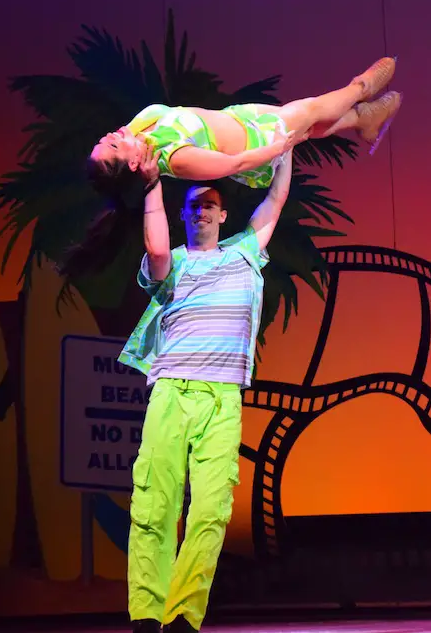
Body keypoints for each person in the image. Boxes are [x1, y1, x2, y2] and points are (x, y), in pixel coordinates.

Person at [115, 138, 297, 633]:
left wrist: (285, 149)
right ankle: (147, 614)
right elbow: (155, 247)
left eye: (210, 205)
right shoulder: (172, 262)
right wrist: (152, 184)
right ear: (184, 215)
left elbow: (276, 199)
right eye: (194, 205)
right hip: (172, 390)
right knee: (154, 504)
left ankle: (182, 614)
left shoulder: (244, 254)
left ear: (222, 216)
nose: (202, 211)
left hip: (222, 397)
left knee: (212, 510)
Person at [88, 56, 401, 191]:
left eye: (104, 140)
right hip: (258, 142)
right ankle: (362, 87)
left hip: (241, 118)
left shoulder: (138, 129)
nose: (111, 135)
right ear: (132, 164)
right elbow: (233, 165)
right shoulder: (175, 158)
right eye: (112, 145)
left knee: (312, 124)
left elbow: (154, 113)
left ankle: (363, 119)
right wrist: (275, 149)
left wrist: (127, 133)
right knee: (311, 108)